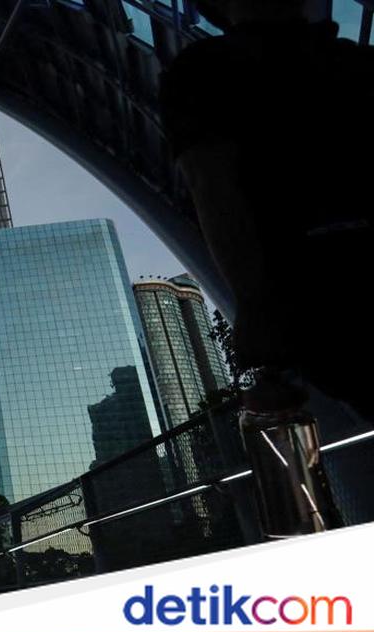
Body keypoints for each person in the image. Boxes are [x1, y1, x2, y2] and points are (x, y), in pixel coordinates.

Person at [160, 0, 374, 421]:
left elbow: (212, 185)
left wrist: (255, 304)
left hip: (317, 297)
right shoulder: (359, 64)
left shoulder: (203, 70)